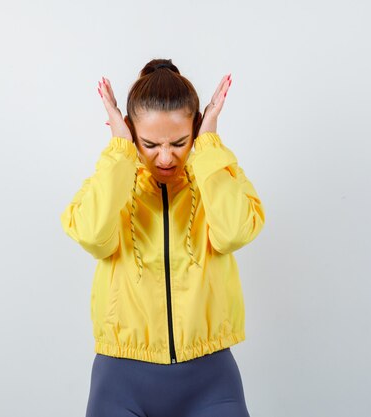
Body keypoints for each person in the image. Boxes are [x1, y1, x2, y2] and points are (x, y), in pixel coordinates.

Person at [60, 58, 266, 417]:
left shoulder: (215, 174)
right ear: (129, 131)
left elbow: (234, 233)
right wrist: (120, 152)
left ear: (197, 129)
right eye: (151, 143)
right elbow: (93, 236)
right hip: (121, 380)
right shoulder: (113, 180)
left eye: (180, 142)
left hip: (211, 379)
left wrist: (209, 147)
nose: (166, 157)